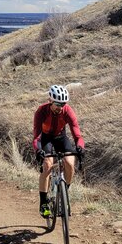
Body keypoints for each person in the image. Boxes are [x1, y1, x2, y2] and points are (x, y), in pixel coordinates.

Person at [32, 84, 85, 218]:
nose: (60, 107)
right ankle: (43, 202)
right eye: (57, 103)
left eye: (62, 103)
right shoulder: (41, 112)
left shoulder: (68, 111)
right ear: (50, 101)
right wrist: (38, 150)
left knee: (69, 162)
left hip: (61, 137)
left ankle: (64, 194)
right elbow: (36, 137)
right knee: (47, 165)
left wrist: (80, 146)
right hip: (45, 138)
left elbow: (77, 135)